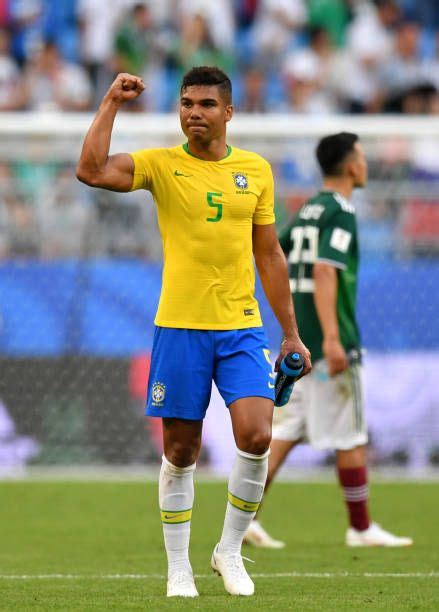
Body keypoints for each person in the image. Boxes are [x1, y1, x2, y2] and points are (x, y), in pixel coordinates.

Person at [76, 66, 311, 598]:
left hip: (241, 328)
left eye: (206, 104)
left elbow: (269, 252)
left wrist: (291, 334)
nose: (194, 113)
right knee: (182, 451)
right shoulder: (162, 165)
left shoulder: (256, 169)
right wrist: (112, 100)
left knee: (256, 435)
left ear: (228, 112)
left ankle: (228, 551)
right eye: (186, 103)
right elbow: (90, 170)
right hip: (180, 327)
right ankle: (177, 567)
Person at [244, 132, 413, 549]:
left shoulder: (306, 212)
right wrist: (333, 340)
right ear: (351, 164)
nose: (366, 164)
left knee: (283, 435)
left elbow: (274, 255)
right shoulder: (340, 211)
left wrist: (294, 331)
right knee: (350, 436)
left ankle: (242, 518)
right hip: (325, 344)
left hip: (298, 346)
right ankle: (360, 527)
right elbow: (324, 270)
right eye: (362, 156)